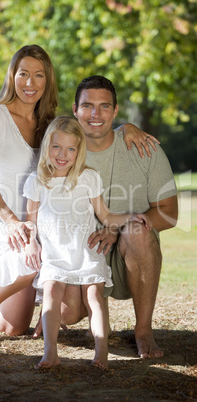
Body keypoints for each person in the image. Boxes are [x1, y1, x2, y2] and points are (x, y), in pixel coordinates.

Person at [0, 45, 158, 345]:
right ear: (12, 76)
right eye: (23, 74)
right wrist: (11, 221)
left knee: (14, 327)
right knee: (37, 261)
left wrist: (127, 127)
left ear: (47, 80)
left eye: (38, 75)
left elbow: (86, 129)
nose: (30, 83)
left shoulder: (47, 122)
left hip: (31, 220)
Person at [46, 75, 178, 359]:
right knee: (67, 314)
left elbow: (170, 213)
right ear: (75, 110)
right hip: (79, 253)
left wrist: (119, 230)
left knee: (137, 231)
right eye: (88, 106)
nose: (96, 114)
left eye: (104, 106)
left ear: (116, 110)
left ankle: (143, 332)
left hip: (127, 254)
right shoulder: (62, 153)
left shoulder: (144, 149)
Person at [23, 116, 152, 369]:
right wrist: (31, 244)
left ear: (79, 151)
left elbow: (105, 215)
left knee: (95, 296)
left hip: (86, 250)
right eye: (57, 147)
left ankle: (101, 352)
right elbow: (31, 221)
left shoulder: (88, 177)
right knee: (50, 294)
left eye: (71, 149)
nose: (63, 154)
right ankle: (50, 352)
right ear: (47, 146)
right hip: (55, 253)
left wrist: (130, 217)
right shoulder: (37, 181)